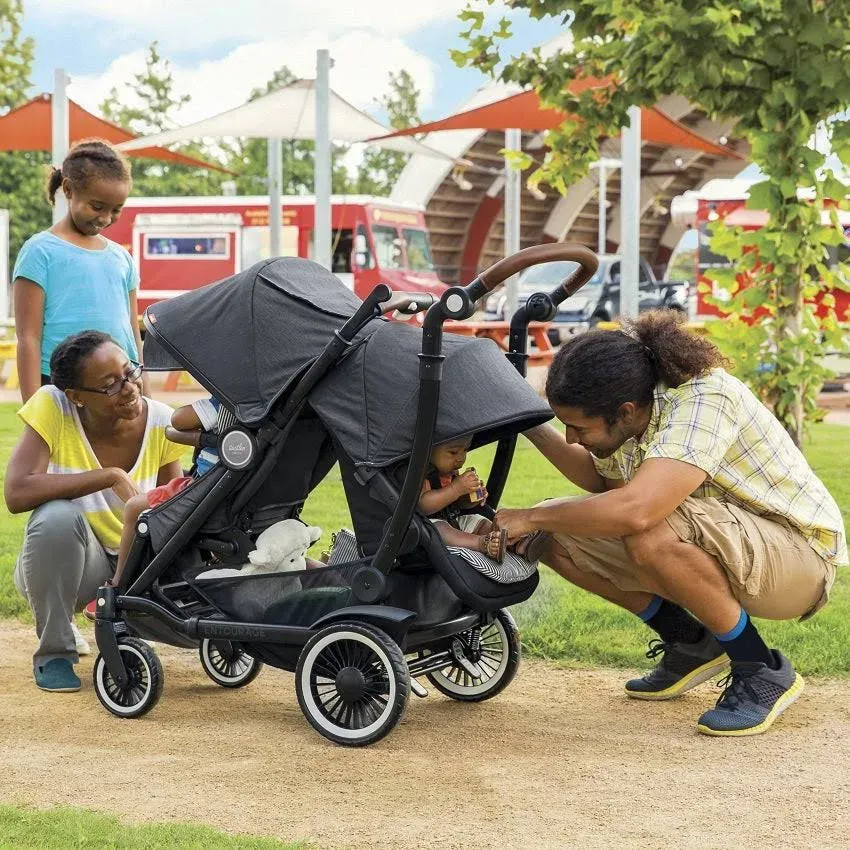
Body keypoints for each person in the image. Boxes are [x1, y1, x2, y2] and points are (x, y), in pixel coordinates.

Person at [494, 312, 845, 737]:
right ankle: (691, 642)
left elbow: (637, 508)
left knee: (649, 528)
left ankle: (760, 669)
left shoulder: (703, 399)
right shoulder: (636, 411)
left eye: (577, 427)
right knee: (552, 533)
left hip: (799, 560)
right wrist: (529, 423)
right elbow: (599, 478)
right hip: (734, 548)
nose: (569, 437)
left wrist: (529, 513)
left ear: (624, 411)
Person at [4, 331, 185, 693]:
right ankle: (55, 652)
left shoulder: (163, 422)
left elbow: (176, 507)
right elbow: (17, 491)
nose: (129, 387)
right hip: (68, 566)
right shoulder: (55, 406)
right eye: (110, 385)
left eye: (129, 371)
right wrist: (109, 477)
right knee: (56, 516)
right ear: (76, 397)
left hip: (133, 569)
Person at [13, 138, 146, 403]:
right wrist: (33, 409)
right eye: (97, 207)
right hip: (60, 387)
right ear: (68, 189)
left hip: (119, 387)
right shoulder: (39, 251)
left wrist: (147, 395)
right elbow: (28, 338)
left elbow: (132, 333)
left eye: (116, 210)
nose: (106, 218)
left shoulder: (122, 258)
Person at [98, 396, 222, 598]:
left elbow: (178, 420)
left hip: (205, 488)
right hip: (246, 494)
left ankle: (118, 585)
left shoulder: (224, 405)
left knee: (134, 507)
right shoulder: (274, 408)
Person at [419, 436, 548, 563]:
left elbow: (457, 504)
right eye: (453, 452)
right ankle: (482, 543)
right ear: (429, 449)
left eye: (465, 450)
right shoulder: (421, 474)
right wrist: (456, 489)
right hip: (428, 527)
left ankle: (517, 543)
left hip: (454, 520)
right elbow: (423, 506)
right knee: (440, 529)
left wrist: (470, 498)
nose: (461, 459)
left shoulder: (451, 473)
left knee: (479, 522)